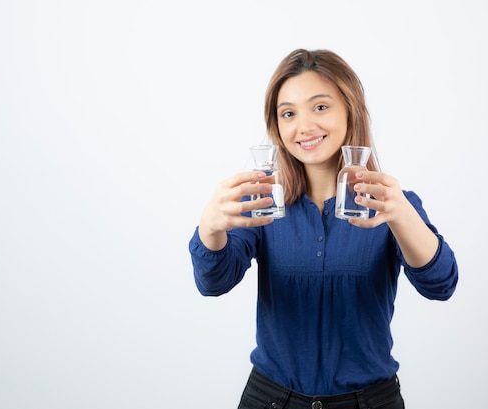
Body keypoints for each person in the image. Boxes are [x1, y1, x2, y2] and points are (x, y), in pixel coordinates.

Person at [188, 48, 458, 409]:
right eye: (288, 113)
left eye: (320, 107)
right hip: (270, 400)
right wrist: (210, 227)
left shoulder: (394, 204)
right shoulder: (264, 204)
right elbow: (214, 281)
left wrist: (401, 215)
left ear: (350, 110)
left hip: (370, 402)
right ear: (277, 126)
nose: (304, 127)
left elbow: (440, 285)